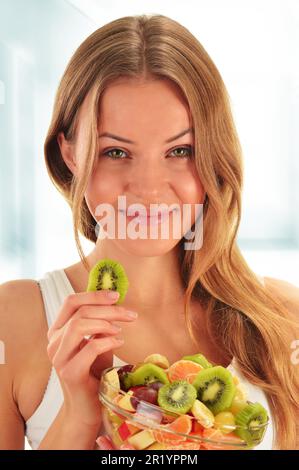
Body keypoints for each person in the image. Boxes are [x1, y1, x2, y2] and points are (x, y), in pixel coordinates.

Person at [0, 14, 298, 451]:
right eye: (115, 151)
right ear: (70, 154)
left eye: (180, 150)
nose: (148, 189)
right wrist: (79, 417)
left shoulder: (283, 322)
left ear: (214, 156)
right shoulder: (14, 321)